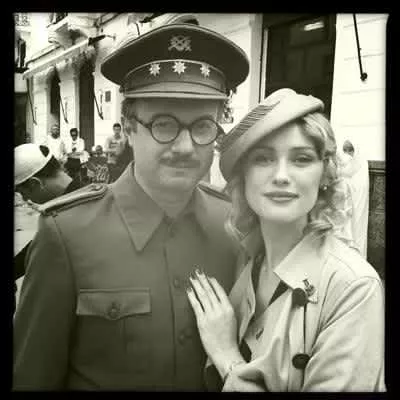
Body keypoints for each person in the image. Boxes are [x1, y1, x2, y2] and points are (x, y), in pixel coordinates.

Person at [13, 23, 249, 390]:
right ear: (127, 127)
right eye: (163, 125)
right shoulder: (67, 234)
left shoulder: (235, 227)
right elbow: (33, 377)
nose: (185, 147)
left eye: (203, 126)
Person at [186, 89, 385, 391]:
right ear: (243, 176)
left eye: (301, 159)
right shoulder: (247, 261)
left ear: (324, 175)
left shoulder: (352, 287)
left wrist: (227, 357)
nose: (281, 176)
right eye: (263, 159)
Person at [14, 143, 85, 313]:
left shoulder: (68, 215)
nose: (26, 200)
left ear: (35, 184)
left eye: (22, 193)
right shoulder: (82, 198)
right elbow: (35, 249)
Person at [337, 139, 370, 258]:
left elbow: (359, 185)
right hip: (343, 207)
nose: (347, 153)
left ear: (356, 150)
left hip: (355, 204)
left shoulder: (360, 163)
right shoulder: (343, 163)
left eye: (350, 150)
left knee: (356, 232)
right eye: (344, 150)